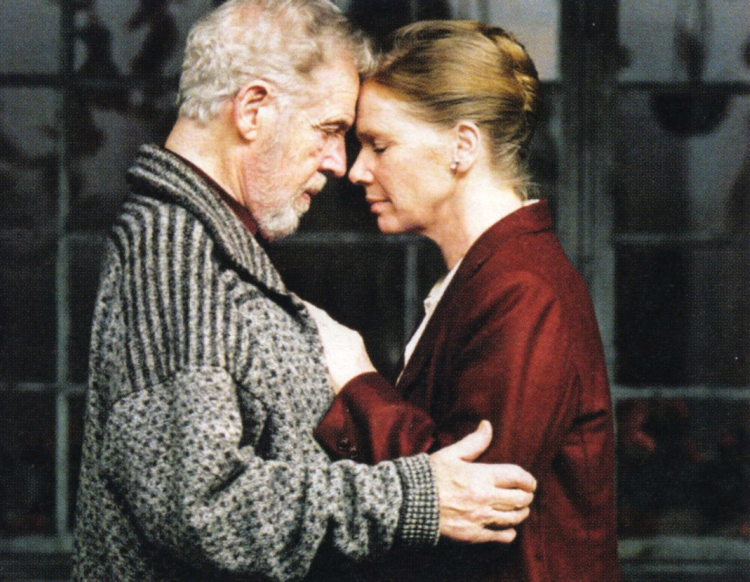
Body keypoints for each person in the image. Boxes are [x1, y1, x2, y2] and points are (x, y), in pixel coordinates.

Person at [71, 3, 538, 581]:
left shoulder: (206, 245)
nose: (340, 163)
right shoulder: (175, 253)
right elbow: (204, 509)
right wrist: (413, 498)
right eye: (330, 130)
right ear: (253, 109)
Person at [310, 20, 619, 581]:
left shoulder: (523, 289)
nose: (356, 170)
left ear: (462, 145)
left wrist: (355, 378)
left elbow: (474, 506)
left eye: (379, 144)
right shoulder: (490, 277)